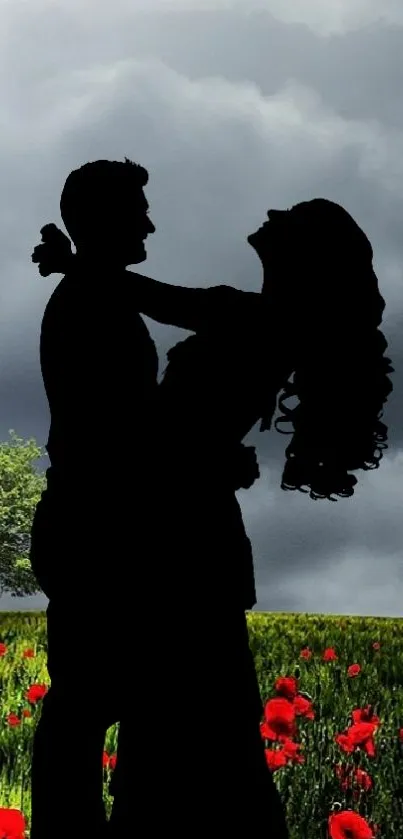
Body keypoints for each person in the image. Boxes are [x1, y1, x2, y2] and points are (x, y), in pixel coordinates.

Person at [32, 197, 394, 836]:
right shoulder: (275, 321)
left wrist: (74, 264)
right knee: (193, 721)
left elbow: (156, 304)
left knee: (182, 720)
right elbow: (155, 308)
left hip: (179, 538)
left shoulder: (256, 317)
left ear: (299, 258)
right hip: (189, 530)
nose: (271, 217)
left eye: (289, 223)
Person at [29, 157, 262, 839]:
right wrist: (209, 459)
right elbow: (121, 434)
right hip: (96, 533)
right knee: (88, 701)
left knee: (87, 699)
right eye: (137, 209)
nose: (150, 222)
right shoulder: (91, 305)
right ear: (104, 218)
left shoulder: (92, 294)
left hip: (88, 528)